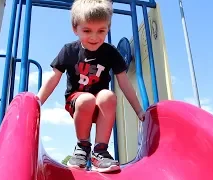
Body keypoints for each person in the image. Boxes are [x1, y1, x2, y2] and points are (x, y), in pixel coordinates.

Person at [36, 0, 145, 173]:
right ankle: (82, 146)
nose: (94, 37)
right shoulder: (69, 50)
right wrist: (37, 102)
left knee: (108, 95)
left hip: (101, 106)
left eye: (101, 31)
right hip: (78, 102)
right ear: (75, 28)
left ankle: (100, 151)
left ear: (108, 27)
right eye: (87, 30)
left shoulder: (110, 52)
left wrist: (139, 110)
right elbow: (53, 78)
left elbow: (124, 82)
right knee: (86, 99)